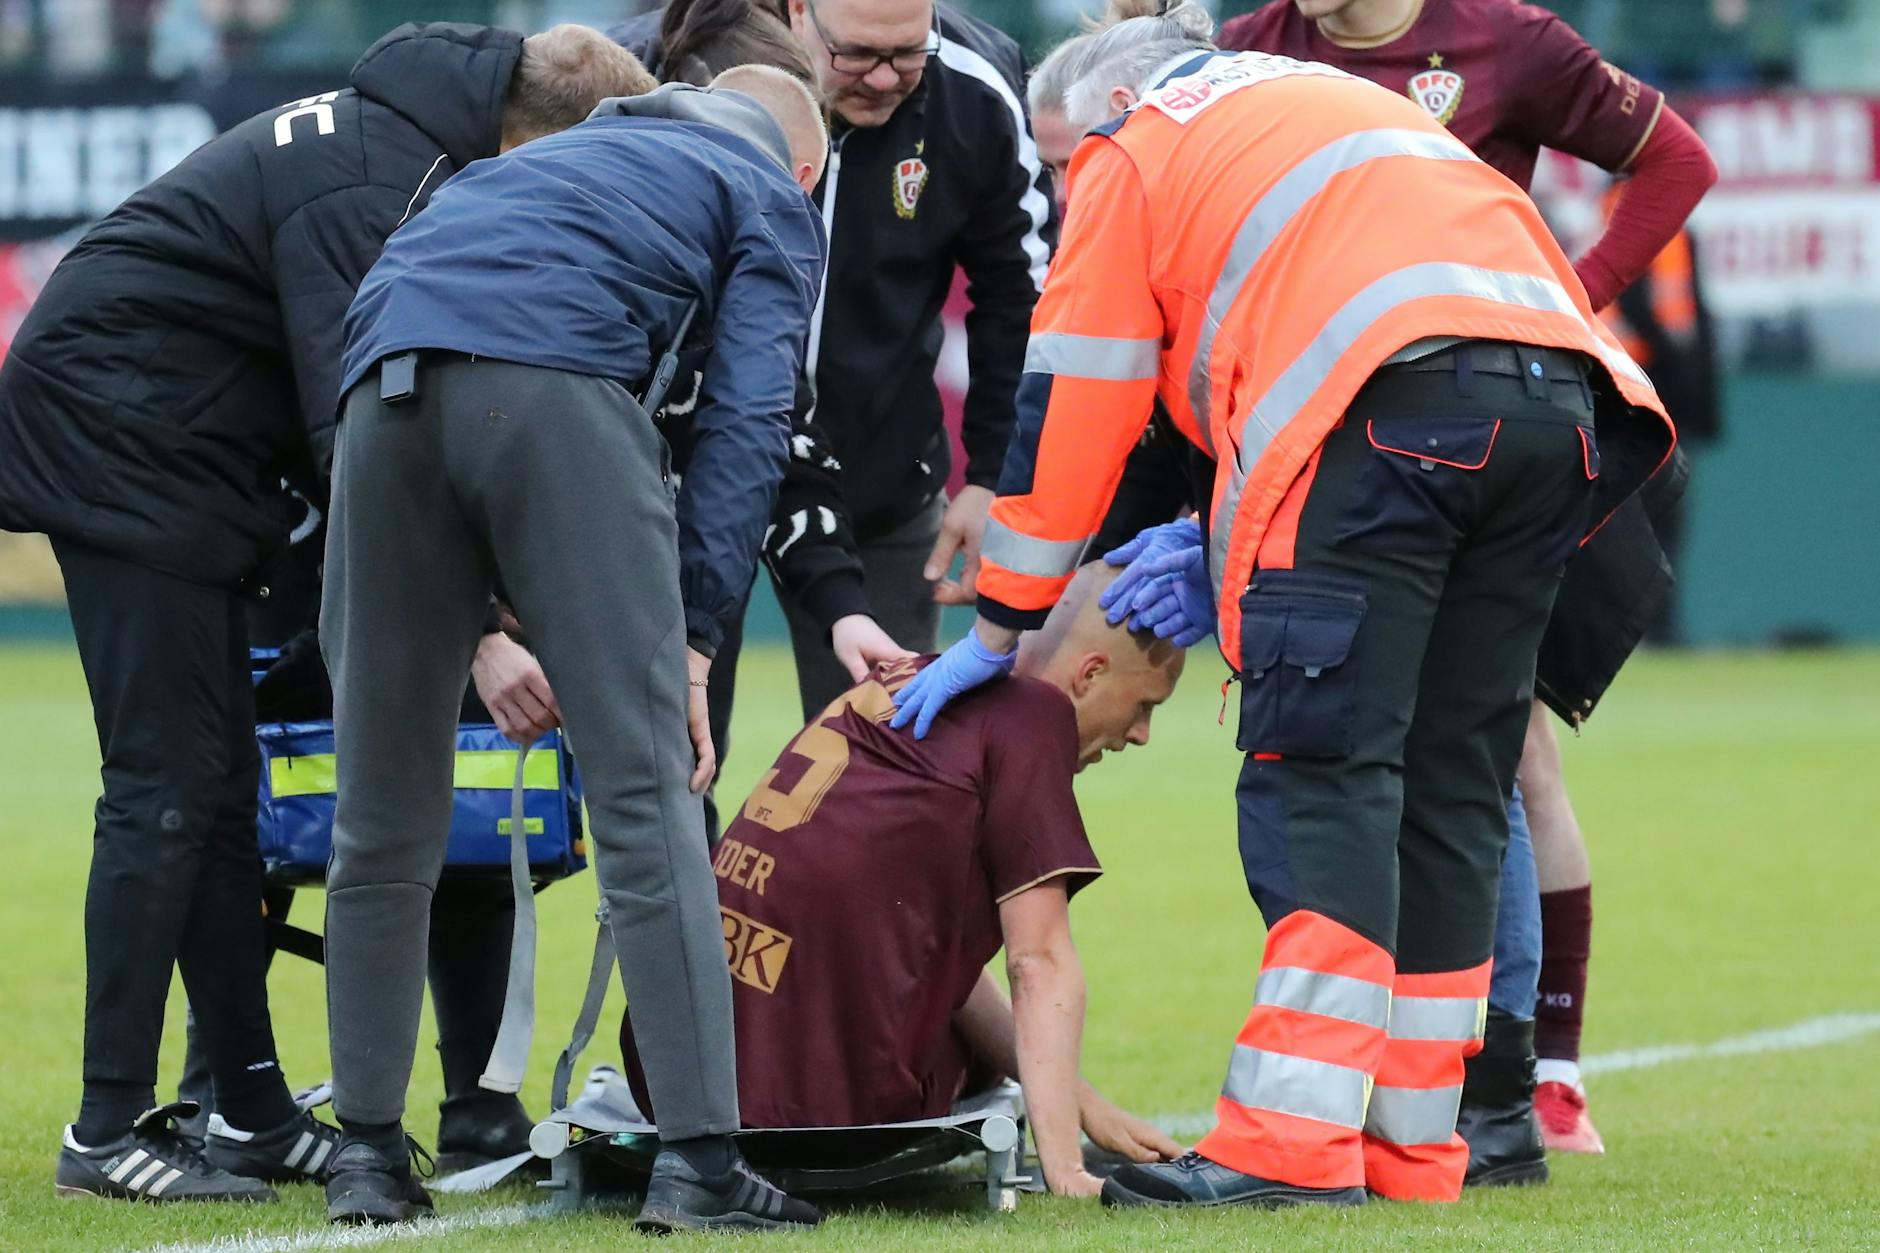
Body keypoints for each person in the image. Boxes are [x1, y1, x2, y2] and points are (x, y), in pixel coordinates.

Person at [891, 21, 1672, 1212]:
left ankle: (1287, 1146)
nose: (1064, 188)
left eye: (1058, 162)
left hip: (1391, 419)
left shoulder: (1136, 141)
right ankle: (1414, 1145)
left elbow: (1077, 399)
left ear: (1111, 96)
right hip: (1563, 412)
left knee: (1321, 766)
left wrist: (998, 626)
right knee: (1453, 780)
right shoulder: (1323, 100)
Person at [0, 20, 649, 1204]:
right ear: (542, 140)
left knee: (214, 787)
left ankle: (247, 1105)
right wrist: (488, 627)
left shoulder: (402, 143)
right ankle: (104, 1128)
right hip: (126, 438)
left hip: (180, 445)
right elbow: (356, 421)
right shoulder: (376, 182)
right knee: (164, 784)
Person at [322, 68, 829, 1232]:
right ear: (803, 165)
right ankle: (699, 1160)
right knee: (646, 800)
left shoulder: (521, 164)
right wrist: (698, 635)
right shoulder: (766, 184)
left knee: (380, 808)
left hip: (378, 397)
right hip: (552, 387)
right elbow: (751, 417)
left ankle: (362, 1150)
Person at [1214, 0, 1719, 1162]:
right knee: (1400, 752)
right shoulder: (1251, 48)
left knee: (1494, 758)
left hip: (1475, 430)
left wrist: (1562, 293)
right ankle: (1439, 1087)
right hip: (1323, 439)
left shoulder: (1506, 39)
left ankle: (1525, 1073)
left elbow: (1674, 159)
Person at [622, 562, 1185, 1196]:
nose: (1140, 733)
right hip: (823, 1107)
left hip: (677, 1073)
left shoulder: (914, 674)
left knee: (945, 999)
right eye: (1145, 705)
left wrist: (1087, 1104)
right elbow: (1041, 962)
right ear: (1089, 674)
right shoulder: (1033, 717)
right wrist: (1067, 1167)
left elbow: (909, 938)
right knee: (970, 1062)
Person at [613, 0, 1056, 728]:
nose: (885, 79)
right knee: (667, 761)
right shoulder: (671, 72)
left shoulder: (976, 91)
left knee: (882, 768)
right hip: (673, 492)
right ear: (797, 12)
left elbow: (1023, 295)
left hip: (880, 496)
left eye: (909, 54)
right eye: (857, 55)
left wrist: (990, 479)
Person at [624, 0, 914, 841]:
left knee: (672, 809)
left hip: (656, 568)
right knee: (658, 821)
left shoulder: (720, 243)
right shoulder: (627, 249)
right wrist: (495, 630)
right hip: (558, 552)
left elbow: (774, 426)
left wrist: (841, 604)